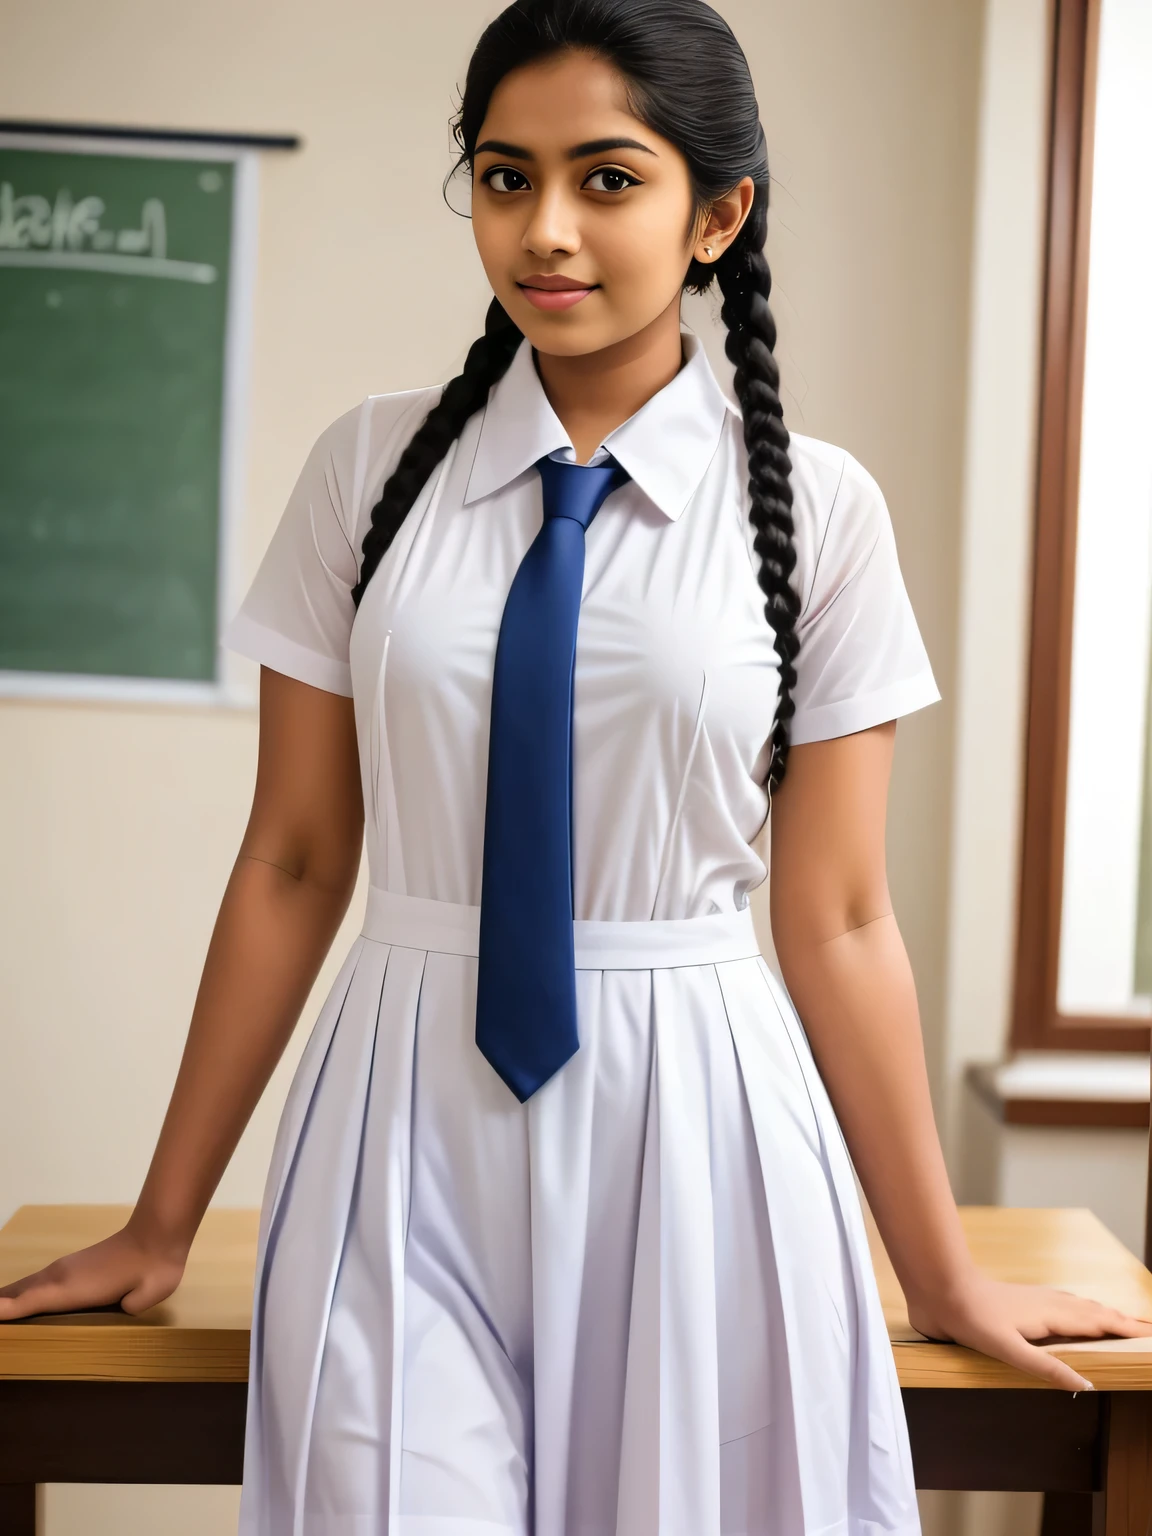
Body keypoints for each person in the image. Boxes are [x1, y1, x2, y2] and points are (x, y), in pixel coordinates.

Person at [5, 1, 1151, 1531]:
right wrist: (163, 1222)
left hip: (700, 1129)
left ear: (717, 213)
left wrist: (933, 1267)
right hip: (396, 1121)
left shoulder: (820, 510)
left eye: (607, 179)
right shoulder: (366, 471)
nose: (545, 231)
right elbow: (290, 858)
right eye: (503, 176)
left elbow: (841, 916)